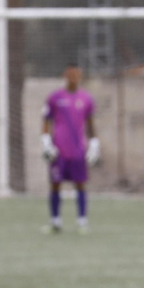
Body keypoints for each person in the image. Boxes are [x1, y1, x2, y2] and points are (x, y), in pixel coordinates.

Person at [41, 63, 100, 234]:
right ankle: (55, 221)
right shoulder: (54, 98)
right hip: (59, 150)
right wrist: (46, 143)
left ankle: (82, 221)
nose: (74, 78)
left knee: (80, 185)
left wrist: (94, 144)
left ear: (80, 76)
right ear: (65, 75)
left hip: (78, 150)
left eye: (77, 75)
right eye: (70, 74)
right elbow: (46, 121)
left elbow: (90, 125)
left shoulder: (87, 99)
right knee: (55, 185)